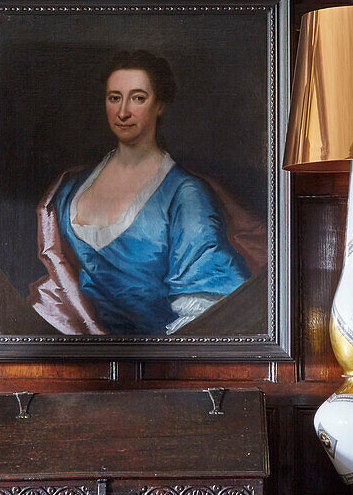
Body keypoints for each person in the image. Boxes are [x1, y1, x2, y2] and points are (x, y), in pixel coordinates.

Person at [29, 50, 266, 336]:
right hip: (79, 349)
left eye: (138, 98)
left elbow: (205, 306)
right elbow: (60, 282)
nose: (123, 111)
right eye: (114, 98)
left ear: (160, 105)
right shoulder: (70, 187)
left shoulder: (185, 194)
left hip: (159, 354)